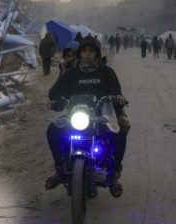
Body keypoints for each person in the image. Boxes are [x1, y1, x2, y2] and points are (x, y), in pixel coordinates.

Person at [45, 36, 130, 197]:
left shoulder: (106, 72)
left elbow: (116, 95)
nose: (87, 54)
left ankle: (113, 174)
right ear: (80, 53)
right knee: (52, 131)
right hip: (75, 117)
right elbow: (54, 94)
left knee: (120, 133)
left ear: (97, 54)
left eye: (91, 51)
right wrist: (62, 74)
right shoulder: (71, 73)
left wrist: (120, 109)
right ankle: (61, 169)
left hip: (101, 118)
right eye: (84, 50)